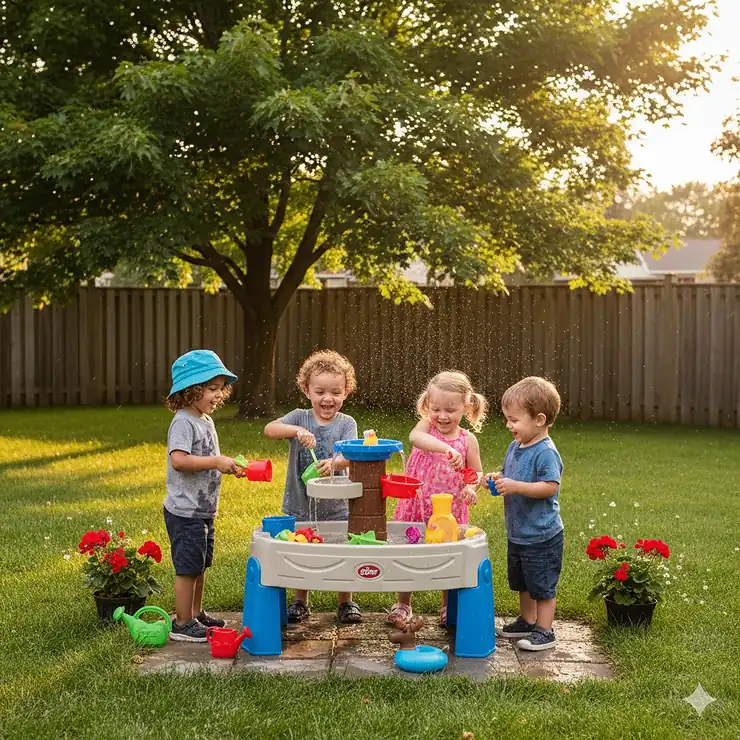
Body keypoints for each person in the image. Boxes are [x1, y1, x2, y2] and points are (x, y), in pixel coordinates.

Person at [264, 350, 361, 624]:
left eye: (335, 392)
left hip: (337, 504)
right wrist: (296, 431)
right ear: (307, 390)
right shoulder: (299, 417)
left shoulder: (346, 423)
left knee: (342, 550)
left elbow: (350, 454)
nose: (327, 398)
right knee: (301, 549)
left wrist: (334, 463)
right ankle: (300, 600)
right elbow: (270, 429)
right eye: (320, 391)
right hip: (299, 503)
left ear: (346, 392)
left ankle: (346, 601)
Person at [390, 370, 487, 626]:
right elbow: (415, 438)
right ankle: (403, 603)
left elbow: (476, 472)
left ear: (466, 408)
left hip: (449, 512)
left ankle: (447, 606)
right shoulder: (426, 428)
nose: (442, 416)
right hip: (415, 505)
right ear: (427, 406)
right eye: (436, 409)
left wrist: (471, 487)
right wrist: (446, 447)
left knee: (447, 556)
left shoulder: (469, 440)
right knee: (407, 553)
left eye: (451, 410)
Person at [163, 350, 241, 642]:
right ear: (191, 390)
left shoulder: (205, 420)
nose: (219, 394)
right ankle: (182, 624)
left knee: (200, 564)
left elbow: (209, 458)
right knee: (187, 568)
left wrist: (229, 466)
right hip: (185, 511)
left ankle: (195, 614)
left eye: (221, 387)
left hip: (204, 510)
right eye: (211, 388)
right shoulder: (184, 421)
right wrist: (215, 462)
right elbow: (179, 460)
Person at [485, 376, 564, 652]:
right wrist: (497, 478)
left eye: (514, 420)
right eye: (507, 419)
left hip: (542, 534)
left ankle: (545, 630)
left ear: (539, 419)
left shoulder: (546, 453)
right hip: (518, 531)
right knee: (523, 581)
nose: (509, 425)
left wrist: (516, 486)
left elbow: (549, 487)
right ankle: (528, 621)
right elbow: (511, 474)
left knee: (541, 584)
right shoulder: (516, 446)